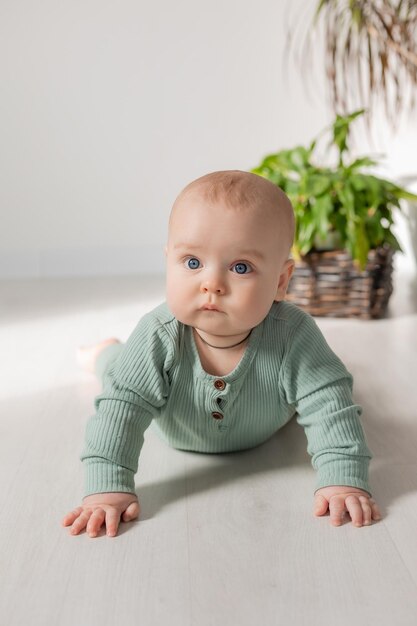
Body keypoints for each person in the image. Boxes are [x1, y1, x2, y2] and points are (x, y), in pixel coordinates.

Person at [62, 170, 381, 538]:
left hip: (262, 430)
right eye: (193, 263)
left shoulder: (293, 335)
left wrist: (343, 479)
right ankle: (105, 353)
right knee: (117, 372)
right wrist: (107, 487)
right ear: (169, 262)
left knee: (324, 377)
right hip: (172, 425)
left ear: (280, 281)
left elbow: (330, 405)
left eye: (240, 267)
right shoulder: (158, 334)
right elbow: (121, 408)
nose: (211, 283)